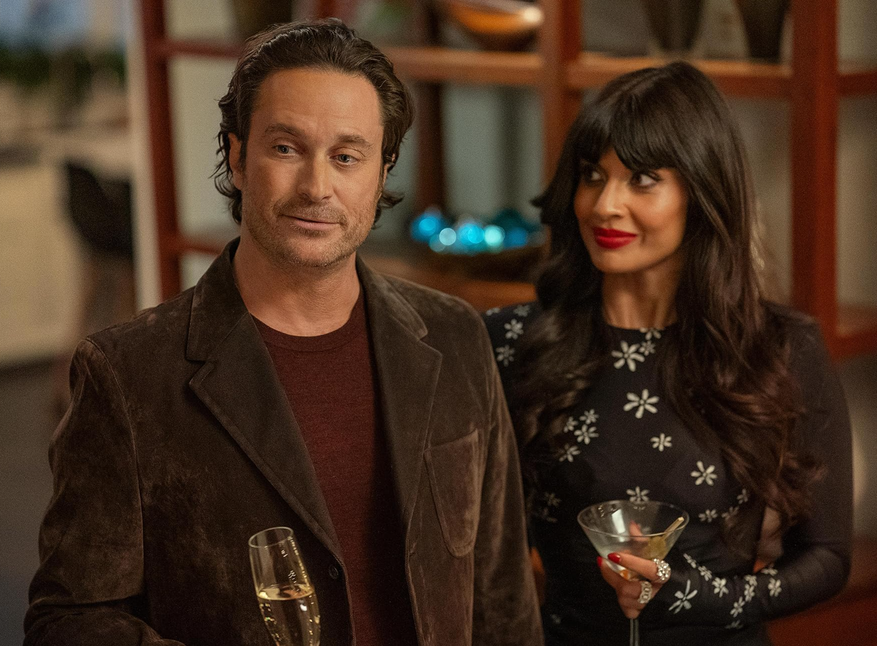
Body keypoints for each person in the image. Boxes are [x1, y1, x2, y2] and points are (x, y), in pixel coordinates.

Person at [25, 20, 542, 646]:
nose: (317, 187)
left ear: (382, 172)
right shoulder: (128, 373)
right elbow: (68, 621)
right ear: (238, 156)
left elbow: (502, 599)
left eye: (346, 157)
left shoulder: (456, 336)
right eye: (287, 148)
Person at [484, 61, 852, 645]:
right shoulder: (508, 342)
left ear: (701, 192)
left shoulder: (782, 347)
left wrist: (694, 597)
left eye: (642, 178)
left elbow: (827, 558)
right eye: (592, 175)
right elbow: (482, 559)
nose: (604, 205)